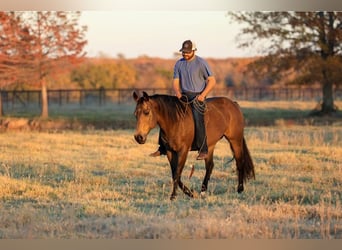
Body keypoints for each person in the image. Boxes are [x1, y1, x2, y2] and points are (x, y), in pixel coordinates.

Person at [150, 40, 216, 160]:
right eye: (183, 52)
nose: (185, 54)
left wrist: (203, 95)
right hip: (183, 96)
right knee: (166, 113)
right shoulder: (179, 64)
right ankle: (162, 148)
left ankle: (203, 149)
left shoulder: (201, 63)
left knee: (197, 118)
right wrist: (178, 93)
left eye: (187, 52)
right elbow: (175, 82)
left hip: (197, 96)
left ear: (193, 51)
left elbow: (212, 81)